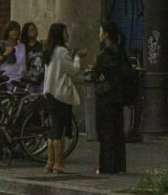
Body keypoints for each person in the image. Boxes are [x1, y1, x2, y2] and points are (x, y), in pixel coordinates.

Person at [41, 21, 82, 175]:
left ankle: (49, 162)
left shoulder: (49, 51)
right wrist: (77, 58)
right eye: (65, 32)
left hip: (50, 93)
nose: (68, 35)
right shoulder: (62, 52)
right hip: (61, 94)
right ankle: (58, 163)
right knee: (59, 131)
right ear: (60, 34)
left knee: (52, 130)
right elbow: (73, 70)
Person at [87, 20, 129, 175]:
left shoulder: (103, 55)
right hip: (118, 96)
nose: (99, 34)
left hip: (105, 96)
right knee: (118, 131)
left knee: (105, 132)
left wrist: (99, 76)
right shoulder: (120, 52)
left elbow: (93, 75)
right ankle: (120, 165)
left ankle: (106, 166)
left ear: (105, 34)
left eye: (100, 31)